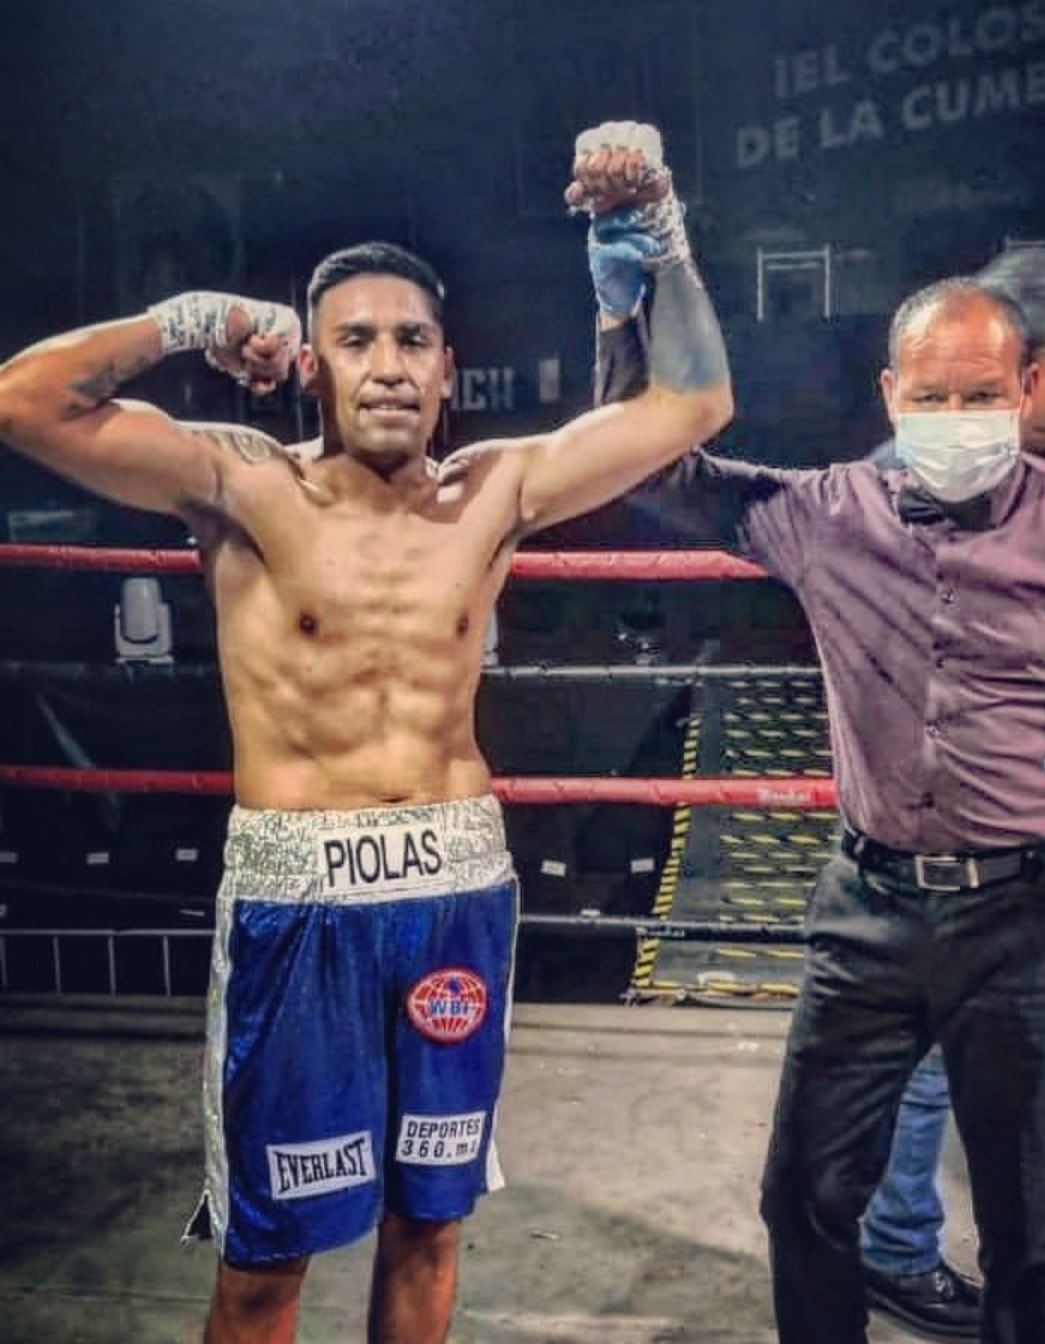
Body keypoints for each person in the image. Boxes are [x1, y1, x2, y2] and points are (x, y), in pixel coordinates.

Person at [0, 123, 732, 1344]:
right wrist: (188, 317)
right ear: (310, 368)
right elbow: (22, 402)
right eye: (354, 341)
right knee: (264, 1264)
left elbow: (695, 402)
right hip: (300, 902)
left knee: (429, 1227)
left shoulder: (496, 487)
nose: (387, 365)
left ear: (447, 371)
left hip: (454, 892)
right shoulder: (241, 484)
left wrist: (659, 233)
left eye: (412, 341)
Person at [575, 172, 1044, 1341]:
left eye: (979, 396)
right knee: (802, 1201)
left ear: (1029, 391)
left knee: (1031, 1237)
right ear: (890, 397)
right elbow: (651, 468)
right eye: (929, 398)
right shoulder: (830, 513)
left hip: (1025, 920)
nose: (953, 419)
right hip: (866, 912)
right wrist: (623, 315)